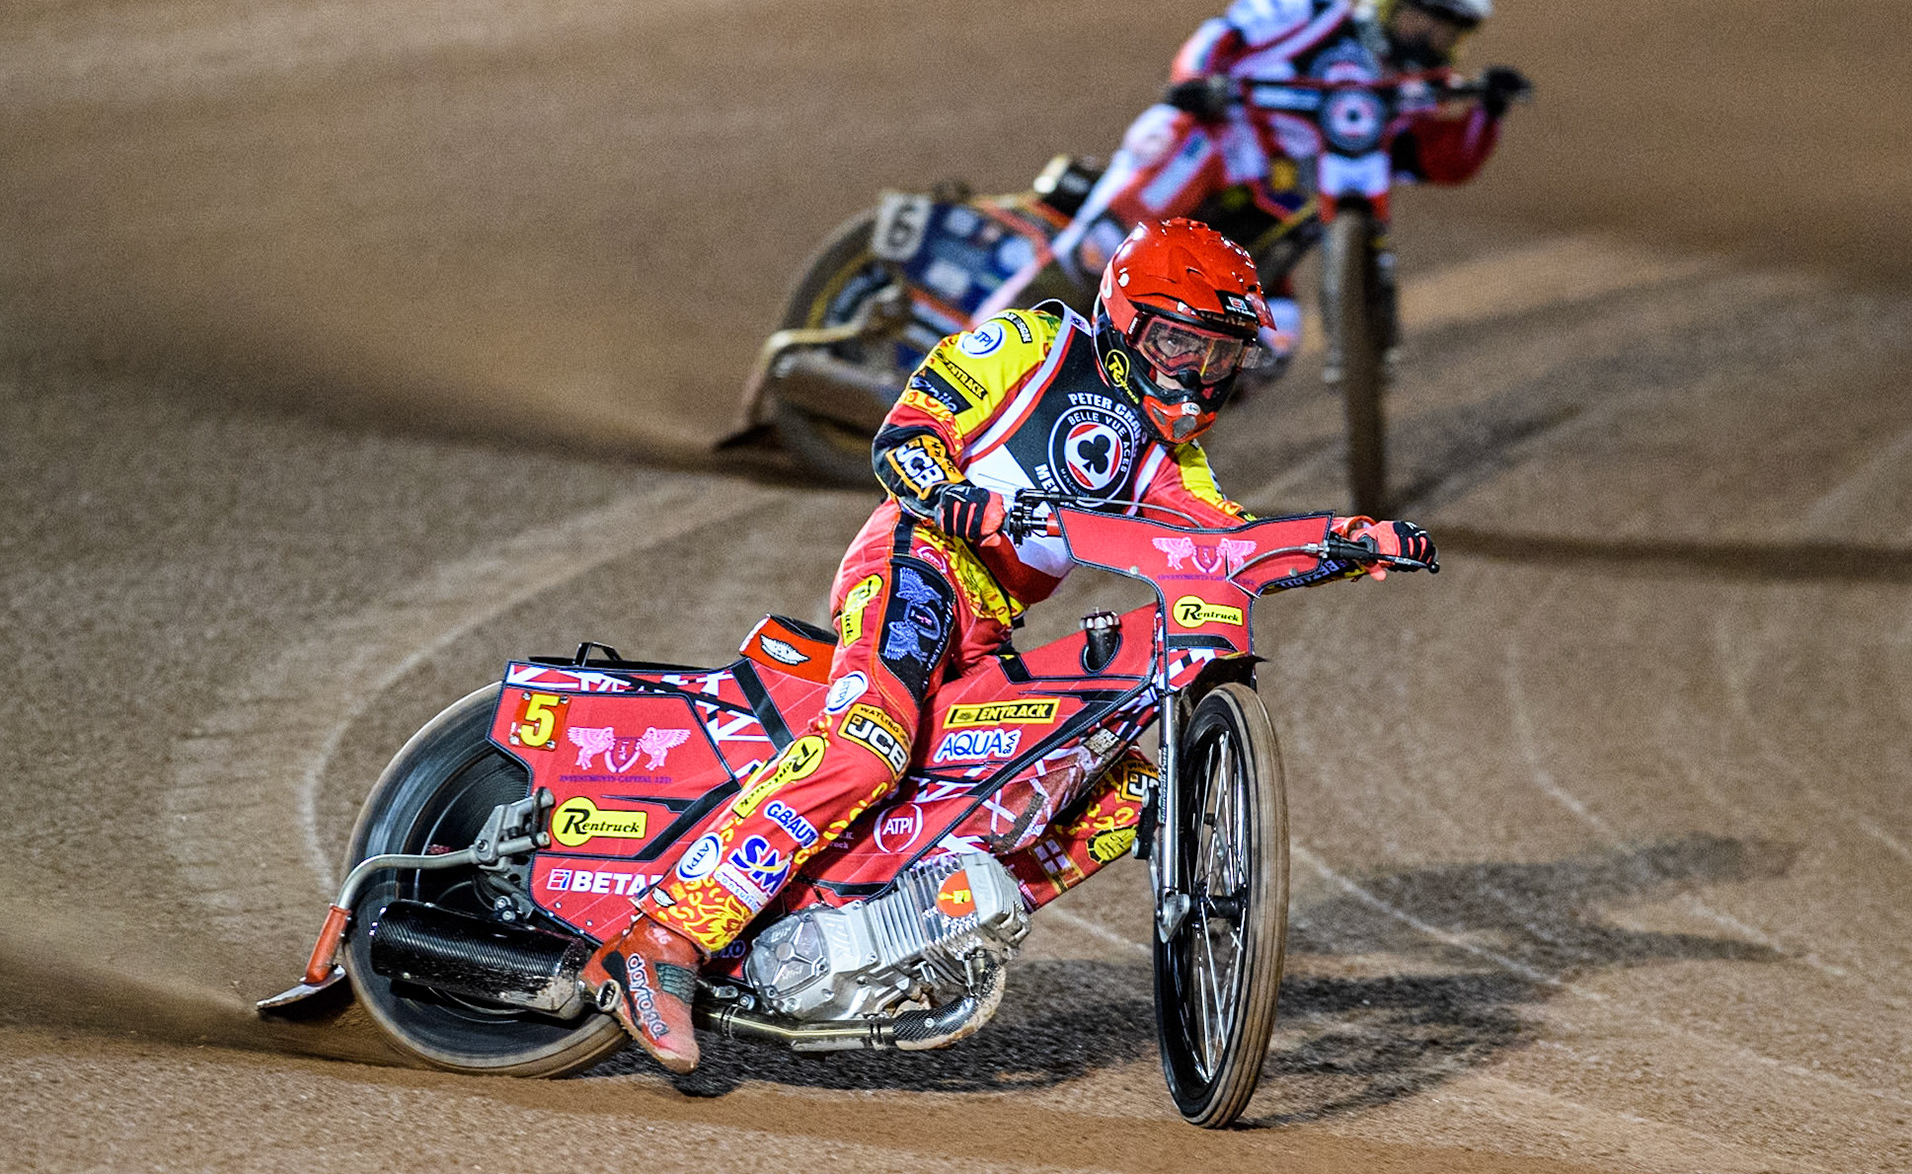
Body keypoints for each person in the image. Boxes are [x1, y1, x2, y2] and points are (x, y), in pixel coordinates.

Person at [581, 219, 1437, 1072]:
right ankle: (662, 937)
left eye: (1217, 356)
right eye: (1177, 341)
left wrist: (1343, 540)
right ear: (1124, 319)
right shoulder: (1032, 342)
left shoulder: (1176, 459)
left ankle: (906, 926)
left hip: (991, 625)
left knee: (1129, 799)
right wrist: (957, 499)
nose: (1194, 372)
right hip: (921, 562)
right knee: (870, 743)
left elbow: (1225, 545)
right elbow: (905, 435)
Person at [1038, 0, 1531, 384]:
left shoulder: (1418, 92)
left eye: (1449, 29)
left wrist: (1488, 111)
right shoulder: (1304, 10)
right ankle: (1016, 322)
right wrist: (1196, 80)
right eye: (1421, 19)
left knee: (1268, 351)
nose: (1430, 38)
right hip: (1211, 155)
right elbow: (1220, 36)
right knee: (1100, 249)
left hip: (1259, 238)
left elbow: (1440, 162)